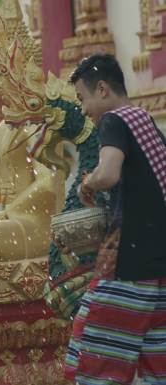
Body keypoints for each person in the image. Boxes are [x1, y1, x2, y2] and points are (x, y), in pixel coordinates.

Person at [64, 54, 166, 385]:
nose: (82, 109)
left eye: (82, 98)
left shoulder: (115, 121)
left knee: (92, 352)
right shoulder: (146, 122)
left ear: (103, 90)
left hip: (129, 264)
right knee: (157, 365)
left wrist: (87, 183)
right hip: (159, 266)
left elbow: (107, 173)